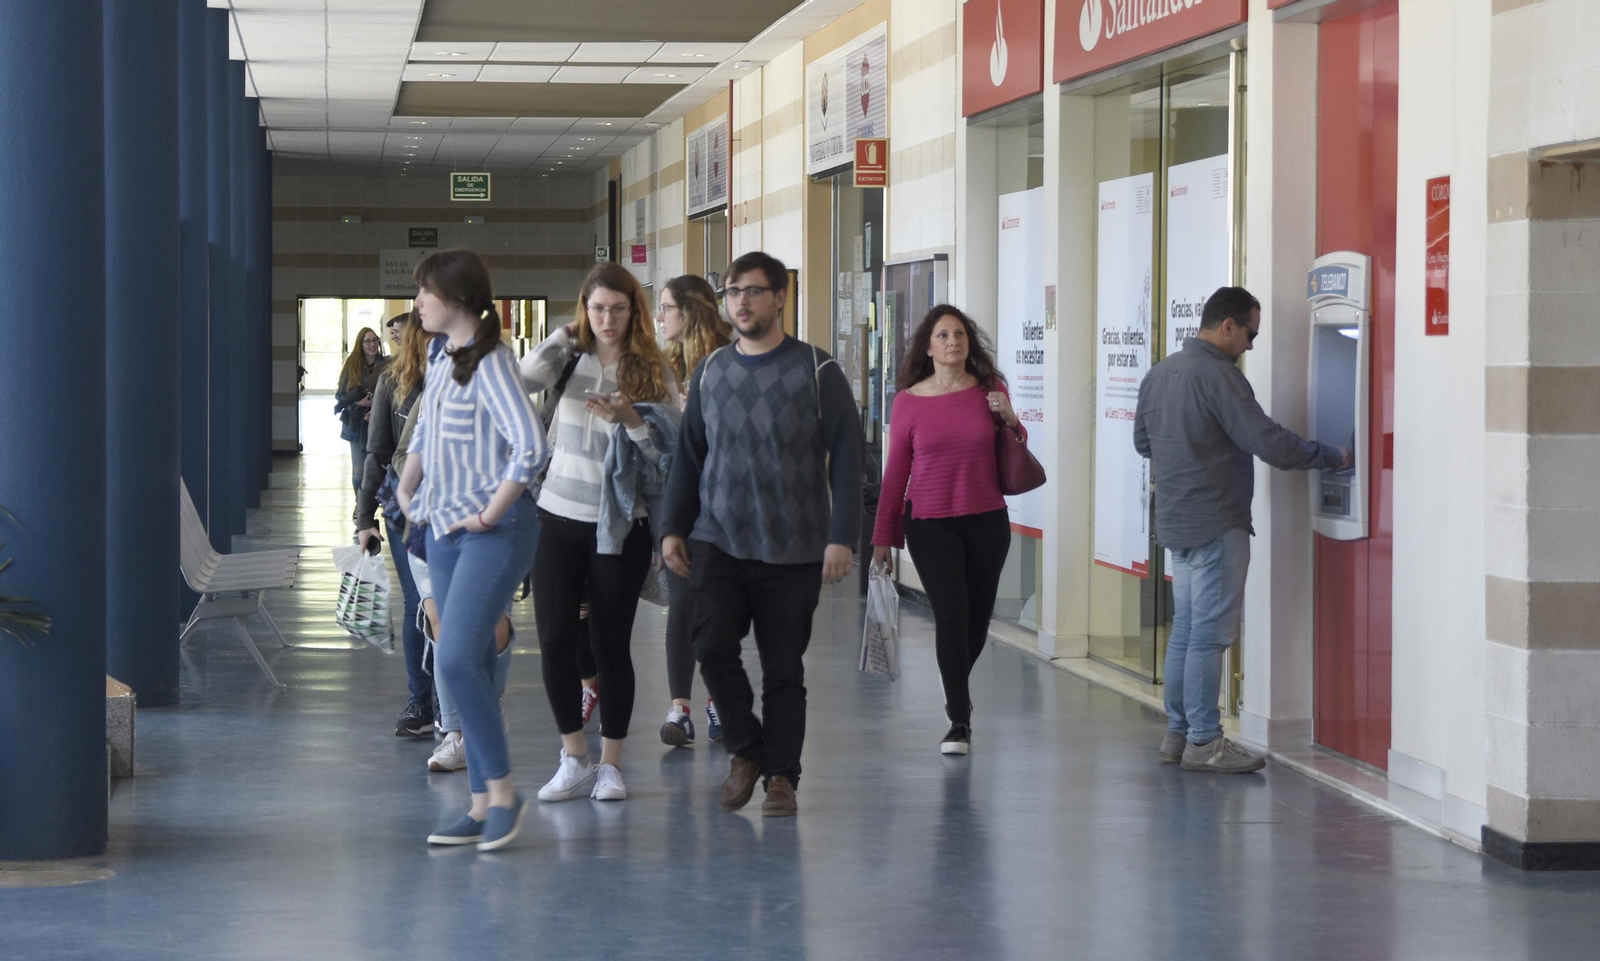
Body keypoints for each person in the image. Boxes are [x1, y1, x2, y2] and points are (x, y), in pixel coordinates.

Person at [662, 251, 864, 818]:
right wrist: (672, 528)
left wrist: (842, 535)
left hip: (794, 546)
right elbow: (689, 457)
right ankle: (747, 751)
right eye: (732, 293)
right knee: (710, 646)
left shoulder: (817, 370)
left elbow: (849, 458)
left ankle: (781, 778)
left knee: (783, 667)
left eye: (753, 291)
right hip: (718, 539)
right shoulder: (711, 371)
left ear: (780, 298)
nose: (741, 302)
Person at [1134, 286, 1350, 774]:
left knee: (1186, 630)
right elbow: (1267, 442)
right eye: (1250, 332)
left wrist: (1188, 457)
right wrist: (1331, 456)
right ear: (1227, 325)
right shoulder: (1220, 378)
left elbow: (1143, 441)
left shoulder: (1160, 373)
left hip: (1176, 522)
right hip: (1217, 521)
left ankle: (1178, 734)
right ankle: (1206, 741)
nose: (1252, 344)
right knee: (1209, 636)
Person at [397, 249, 546, 851]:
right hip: (442, 528)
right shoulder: (439, 354)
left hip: (493, 531)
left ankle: (505, 792)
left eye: (424, 293)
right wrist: (409, 481)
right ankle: (483, 802)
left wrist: (491, 511)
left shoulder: (493, 363)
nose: (417, 304)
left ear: (456, 298)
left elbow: (530, 446)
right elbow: (429, 428)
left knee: (455, 658)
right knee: (471, 658)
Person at [520, 262, 679, 804]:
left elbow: (670, 457)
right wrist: (559, 338)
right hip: (556, 516)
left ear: (633, 310)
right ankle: (573, 757)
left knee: (611, 645)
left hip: (620, 526)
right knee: (555, 642)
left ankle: (610, 763)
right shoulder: (568, 359)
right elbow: (519, 381)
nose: (607, 318)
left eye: (617, 307)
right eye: (596, 308)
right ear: (583, 310)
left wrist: (633, 421)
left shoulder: (652, 369)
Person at [870, 305, 1019, 756]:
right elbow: (896, 474)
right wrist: (883, 538)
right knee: (951, 615)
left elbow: (1016, 449)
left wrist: (1010, 417)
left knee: (975, 621)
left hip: (987, 520)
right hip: (930, 523)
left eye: (959, 334)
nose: (953, 341)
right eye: (943, 335)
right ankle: (959, 719)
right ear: (928, 347)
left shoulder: (991, 391)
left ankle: (950, 671)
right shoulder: (909, 401)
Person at [655, 274, 733, 748]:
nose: (660, 317)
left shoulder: (725, 363)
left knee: (718, 606)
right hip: (677, 503)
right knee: (682, 603)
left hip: (723, 503)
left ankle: (717, 700)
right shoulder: (664, 365)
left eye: (666, 307)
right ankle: (680, 708)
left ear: (690, 310)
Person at [353, 312, 433, 738]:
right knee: (418, 602)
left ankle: (452, 701)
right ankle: (421, 699)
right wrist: (364, 518)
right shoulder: (390, 382)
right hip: (405, 511)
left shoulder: (460, 376)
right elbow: (377, 452)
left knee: (449, 604)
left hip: (456, 510)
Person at [335, 326, 388, 492]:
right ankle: (360, 506)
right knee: (359, 469)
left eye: (374, 340)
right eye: (367, 341)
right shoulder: (352, 366)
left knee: (379, 468)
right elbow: (340, 397)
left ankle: (372, 506)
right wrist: (360, 403)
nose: (372, 344)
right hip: (357, 424)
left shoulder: (387, 364)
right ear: (361, 345)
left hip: (380, 423)